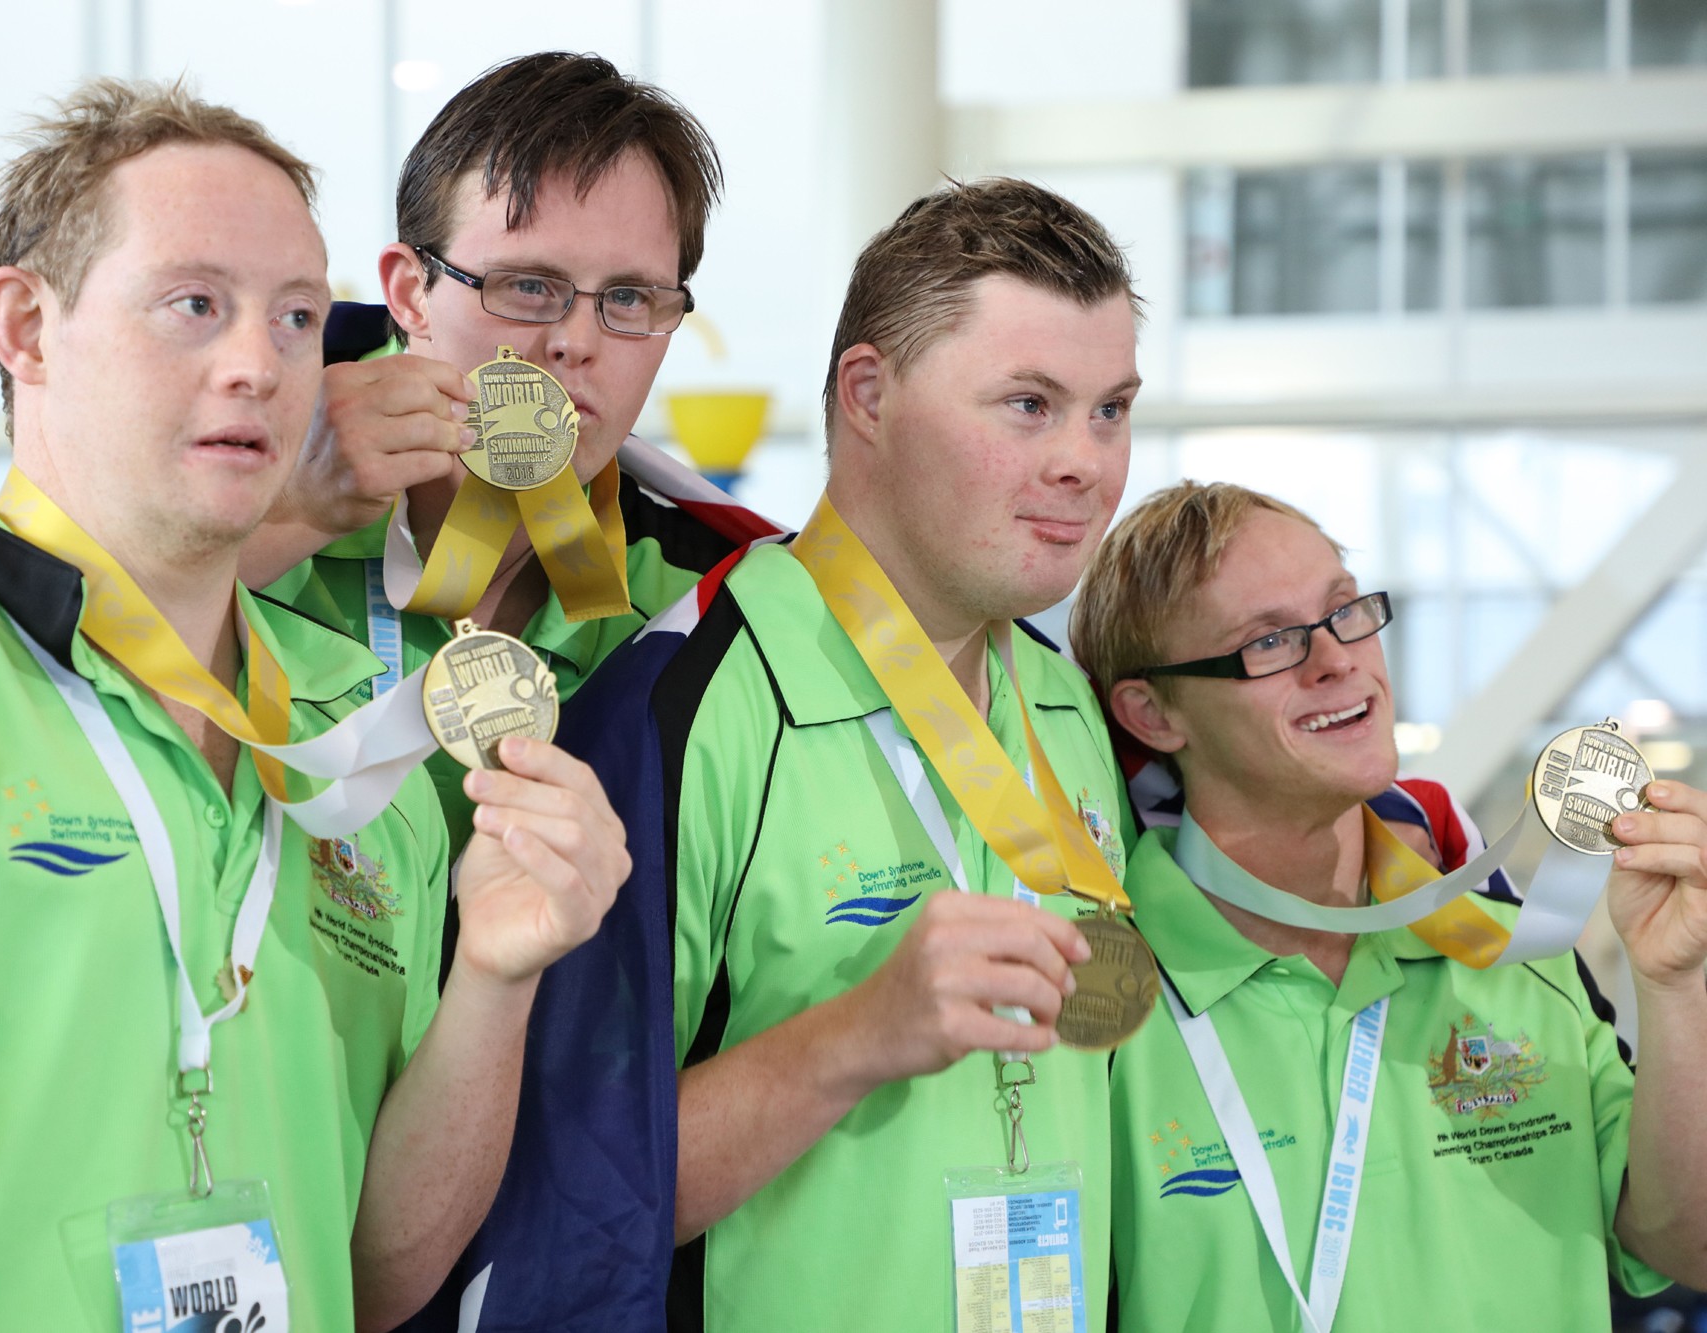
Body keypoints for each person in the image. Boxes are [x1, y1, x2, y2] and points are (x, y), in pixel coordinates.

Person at [0, 79, 628, 1332]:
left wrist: (497, 975)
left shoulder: (361, 751)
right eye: (194, 305)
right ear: (26, 327)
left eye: (297, 318)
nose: (259, 363)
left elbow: (374, 1273)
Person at [484, 177, 1143, 1332]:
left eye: (1110, 409)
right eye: (1028, 405)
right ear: (869, 395)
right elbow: (562, 1208)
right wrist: (857, 1034)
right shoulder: (678, 703)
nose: (1085, 462)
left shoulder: (1067, 705)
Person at [1070, 480, 1707, 1330]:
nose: (1338, 659)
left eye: (1345, 611)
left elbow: (1687, 1247)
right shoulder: (1090, 992)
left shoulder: (1509, 945)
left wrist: (1674, 986)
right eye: (1269, 641)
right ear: (1153, 712)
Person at [242, 51, 773, 846]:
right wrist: (282, 515)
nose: (575, 342)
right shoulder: (235, 464)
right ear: (409, 291)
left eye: (629, 297)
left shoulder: (701, 597)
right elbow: (62, 639)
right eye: (528, 284)